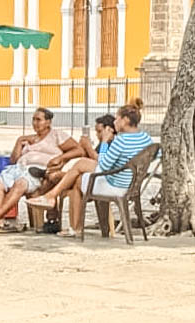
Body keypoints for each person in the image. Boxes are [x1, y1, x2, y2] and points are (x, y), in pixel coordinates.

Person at [27, 100, 152, 236]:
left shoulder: (120, 141)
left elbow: (104, 166)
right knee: (79, 175)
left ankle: (58, 204)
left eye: (117, 118)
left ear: (125, 120)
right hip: (130, 182)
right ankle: (57, 205)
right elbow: (156, 155)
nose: (115, 122)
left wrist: (104, 141)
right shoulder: (146, 138)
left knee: (80, 171)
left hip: (116, 184)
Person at [0, 108, 79, 230]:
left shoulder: (56, 135)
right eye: (33, 120)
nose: (35, 123)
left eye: (39, 120)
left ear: (48, 122)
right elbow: (13, 160)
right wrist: (19, 142)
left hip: (36, 171)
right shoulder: (28, 139)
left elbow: (78, 150)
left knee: (21, 183)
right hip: (17, 168)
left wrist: (61, 158)